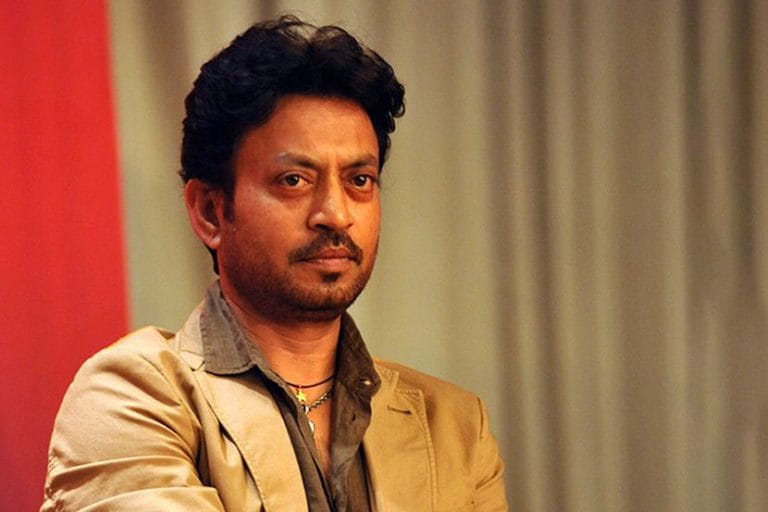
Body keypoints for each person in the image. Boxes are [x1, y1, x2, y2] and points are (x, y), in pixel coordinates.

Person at [41, 15, 508, 511]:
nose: (336, 214)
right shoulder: (131, 398)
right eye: (294, 181)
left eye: (359, 180)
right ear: (210, 211)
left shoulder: (455, 428)